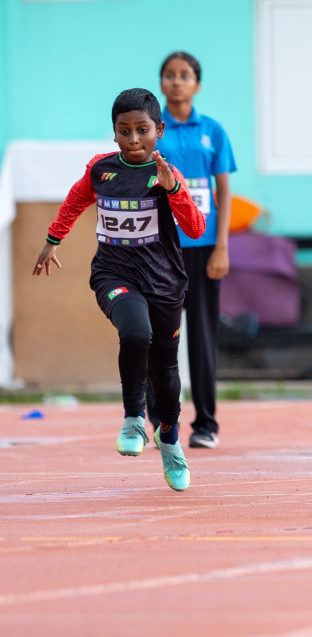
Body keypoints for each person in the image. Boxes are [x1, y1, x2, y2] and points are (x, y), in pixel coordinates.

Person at [33, 88, 205, 491]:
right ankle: (133, 418)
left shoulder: (167, 174)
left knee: (165, 372)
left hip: (163, 283)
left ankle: (169, 436)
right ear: (113, 133)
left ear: (159, 131)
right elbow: (76, 200)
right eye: (124, 131)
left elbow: (196, 228)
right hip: (115, 275)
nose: (133, 139)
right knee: (134, 332)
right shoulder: (101, 170)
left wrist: (174, 191)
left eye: (142, 130)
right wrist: (52, 239)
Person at [154, 52, 236, 449]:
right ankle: (157, 420)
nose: (176, 81)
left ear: (197, 84)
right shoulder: (153, 131)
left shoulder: (213, 131)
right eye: (169, 75)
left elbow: (224, 192)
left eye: (184, 75)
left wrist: (222, 247)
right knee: (159, 337)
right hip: (161, 249)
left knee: (202, 338)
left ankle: (206, 423)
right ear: (162, 83)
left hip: (203, 249)